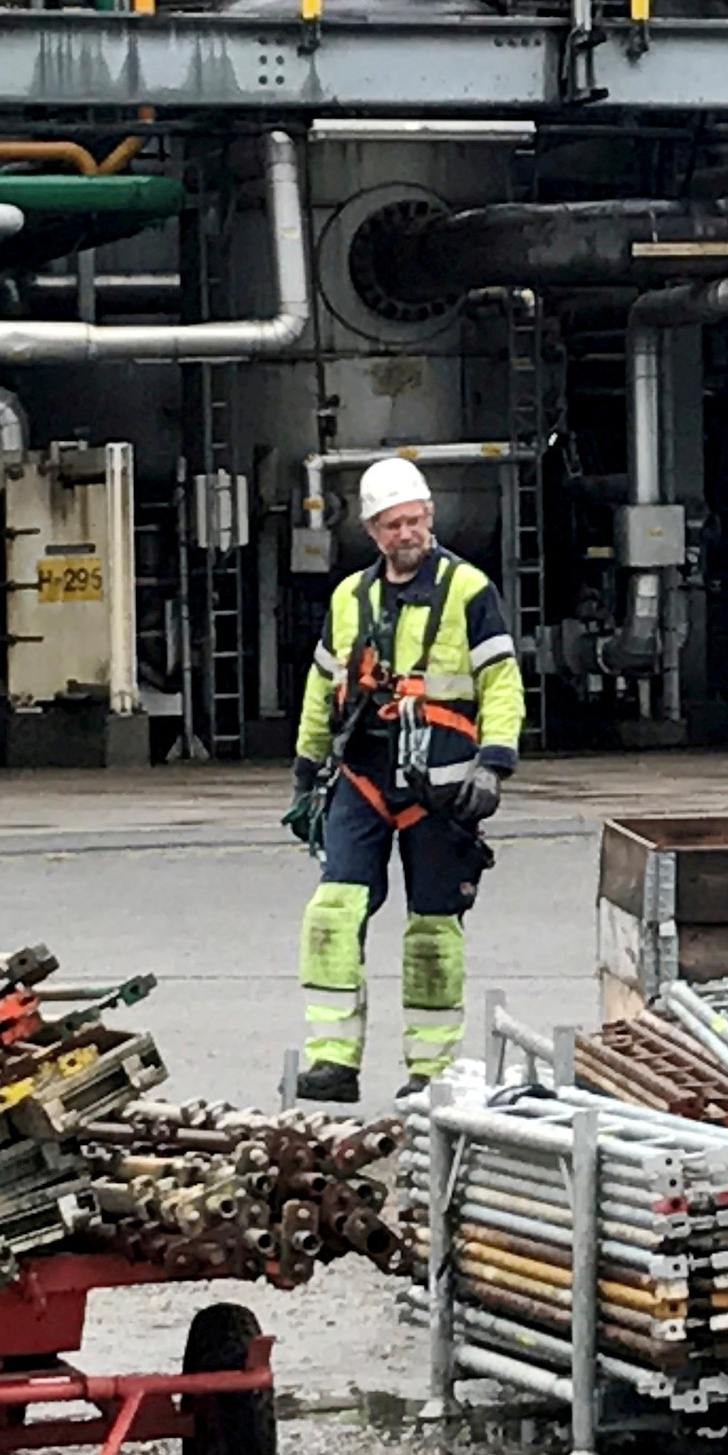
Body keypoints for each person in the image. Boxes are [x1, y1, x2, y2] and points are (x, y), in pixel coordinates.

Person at [286, 456, 523, 1101]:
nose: (406, 534)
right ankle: (332, 1061)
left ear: (431, 519)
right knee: (332, 915)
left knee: (433, 930)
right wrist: (307, 769)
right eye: (393, 524)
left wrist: (494, 764)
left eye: (415, 521)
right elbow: (321, 684)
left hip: (443, 790)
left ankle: (431, 1072)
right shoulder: (348, 599)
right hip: (361, 778)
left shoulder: (470, 592)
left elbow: (501, 682)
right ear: (372, 530)